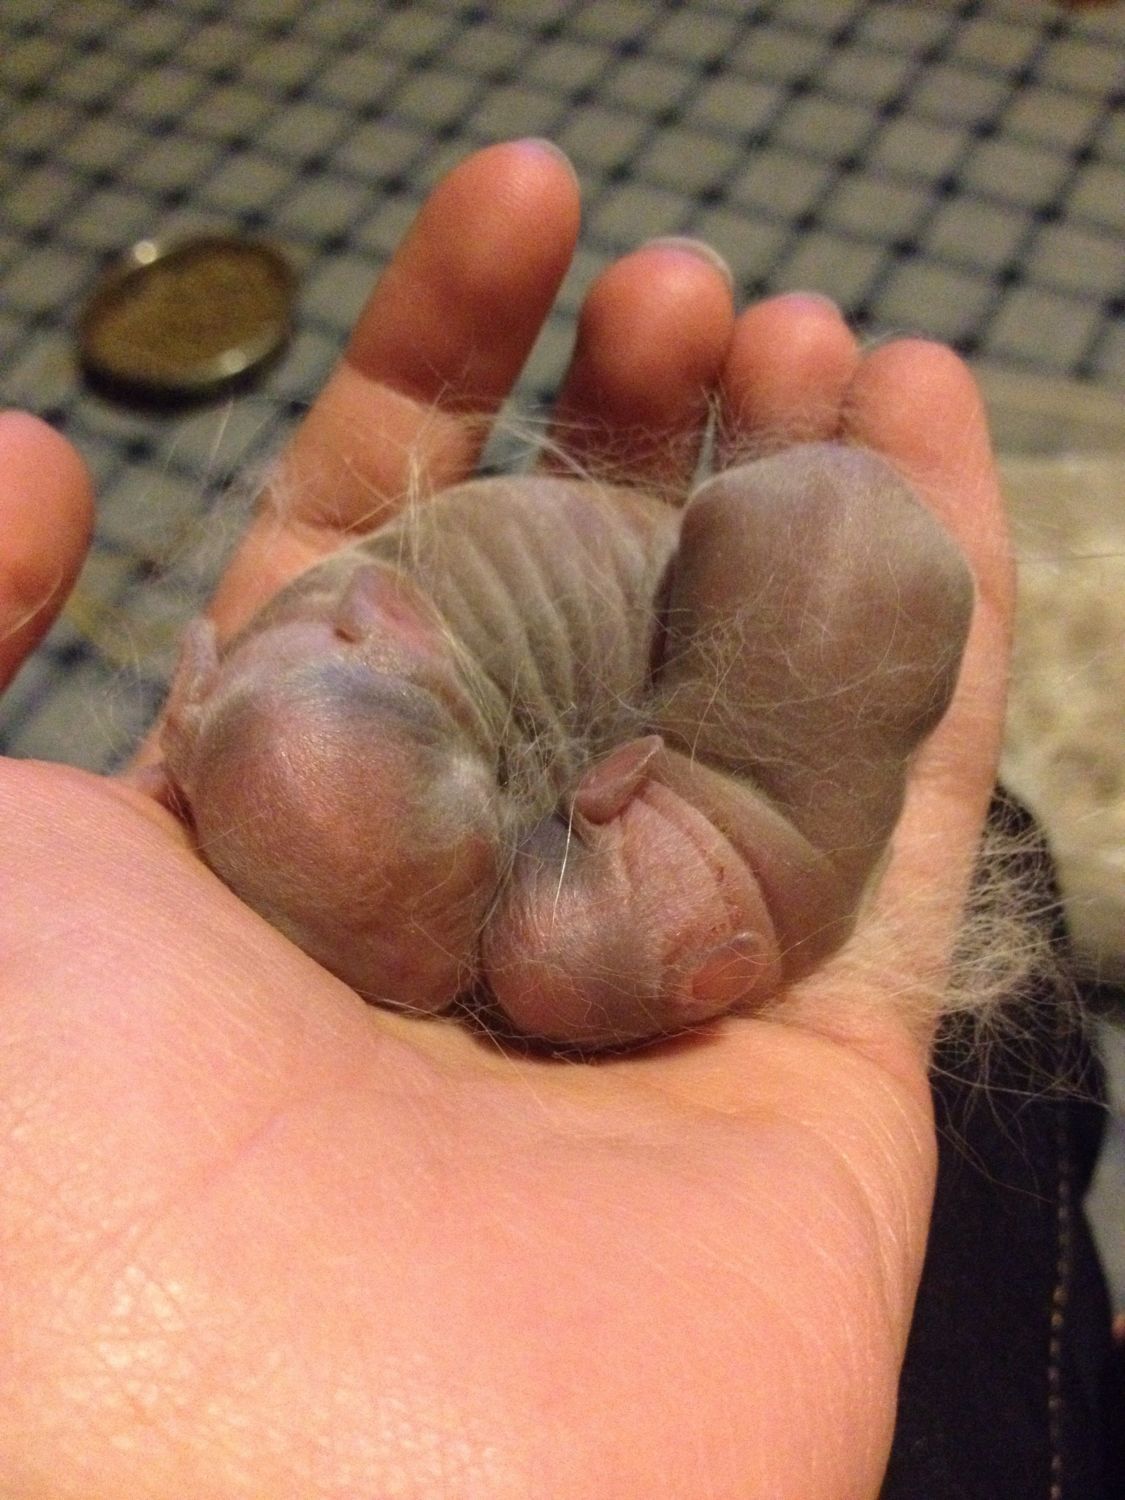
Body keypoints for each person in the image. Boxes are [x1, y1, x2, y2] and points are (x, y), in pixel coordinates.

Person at [0, 139, 1113, 1497]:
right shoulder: (457, 707)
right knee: (1005, 871)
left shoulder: (444, 682)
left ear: (605, 782)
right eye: (481, 895)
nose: (442, 980)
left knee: (1000, 888)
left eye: (468, 901)